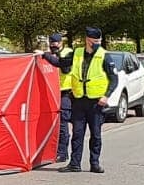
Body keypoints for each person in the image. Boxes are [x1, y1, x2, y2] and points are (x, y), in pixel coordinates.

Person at [62, 27, 118, 173]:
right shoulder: (77, 52)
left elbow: (114, 79)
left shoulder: (104, 55)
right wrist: (45, 56)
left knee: (96, 134)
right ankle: (74, 164)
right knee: (77, 134)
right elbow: (62, 63)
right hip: (79, 100)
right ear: (87, 40)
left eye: (99, 40)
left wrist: (107, 95)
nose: (98, 43)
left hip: (96, 102)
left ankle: (94, 163)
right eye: (95, 41)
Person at [42, 31, 73, 161]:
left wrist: (48, 56)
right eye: (51, 43)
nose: (52, 45)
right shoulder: (51, 54)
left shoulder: (68, 53)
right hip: (53, 92)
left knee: (62, 123)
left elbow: (64, 67)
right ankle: (54, 151)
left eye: (55, 43)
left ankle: (62, 153)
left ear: (61, 43)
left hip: (65, 92)